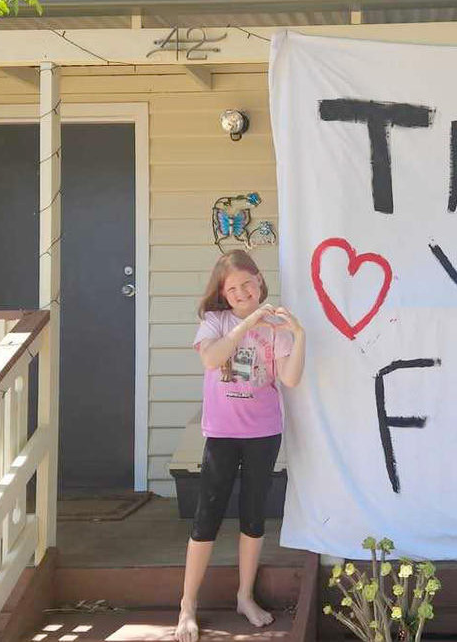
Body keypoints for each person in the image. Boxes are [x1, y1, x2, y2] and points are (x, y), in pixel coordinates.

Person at [175, 250, 306, 642]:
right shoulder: (214, 321)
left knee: (253, 517)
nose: (241, 291)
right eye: (232, 289)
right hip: (222, 434)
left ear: (260, 281)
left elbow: (291, 378)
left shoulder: (277, 329)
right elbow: (213, 359)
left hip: (263, 434)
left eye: (247, 283)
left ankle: (244, 597)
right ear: (223, 294)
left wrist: (298, 335)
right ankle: (187, 606)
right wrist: (248, 322)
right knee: (206, 518)